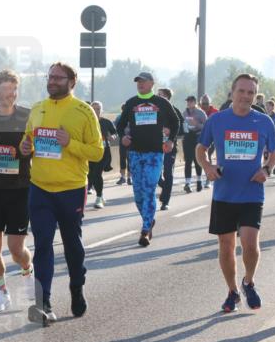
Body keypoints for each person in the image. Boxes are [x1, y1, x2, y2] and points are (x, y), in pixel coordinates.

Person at [20, 62, 103, 324]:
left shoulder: (83, 111)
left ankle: (76, 286)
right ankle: (43, 301)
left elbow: (97, 152)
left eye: (58, 77)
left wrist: (71, 143)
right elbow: (28, 142)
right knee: (42, 244)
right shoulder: (37, 109)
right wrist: (25, 148)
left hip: (71, 189)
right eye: (50, 76)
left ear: (71, 81)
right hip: (40, 188)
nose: (52, 81)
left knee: (72, 245)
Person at [197, 74, 275, 313]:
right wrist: (208, 167)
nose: (246, 96)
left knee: (250, 243)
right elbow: (201, 148)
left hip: (252, 192)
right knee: (226, 245)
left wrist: (267, 169)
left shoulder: (263, 121)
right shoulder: (217, 120)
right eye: (242, 91)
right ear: (232, 93)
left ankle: (249, 282)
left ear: (255, 96)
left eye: (251, 93)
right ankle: (232, 291)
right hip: (224, 193)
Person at [0, 69, 34, 313]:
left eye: (14, 90)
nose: (10, 96)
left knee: (16, 249)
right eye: (5, 91)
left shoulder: (27, 116)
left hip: (20, 188)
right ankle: (2, 294)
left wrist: (26, 151)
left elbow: (39, 148)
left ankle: (27, 270)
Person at [116, 71, 179, 245]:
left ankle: (145, 230)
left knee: (149, 189)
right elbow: (119, 125)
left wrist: (171, 141)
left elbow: (175, 122)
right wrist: (123, 136)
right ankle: (149, 219)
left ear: (152, 83)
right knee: (138, 194)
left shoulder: (161, 102)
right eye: (138, 82)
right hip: (135, 153)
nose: (140, 84)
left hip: (154, 153)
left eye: (143, 81)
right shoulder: (131, 103)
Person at [87, 101, 118, 209]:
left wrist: (112, 137)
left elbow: (114, 132)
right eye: (94, 108)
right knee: (90, 174)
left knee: (96, 173)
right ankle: (98, 193)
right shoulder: (86, 122)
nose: (96, 111)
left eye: (98, 109)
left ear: (102, 110)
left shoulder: (106, 122)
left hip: (103, 151)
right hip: (89, 151)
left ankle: (99, 198)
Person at [181, 95, 208, 192]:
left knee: (197, 160)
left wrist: (197, 124)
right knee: (188, 161)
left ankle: (199, 181)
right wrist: (185, 129)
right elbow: (183, 124)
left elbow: (206, 126)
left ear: (195, 102)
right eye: (187, 101)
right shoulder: (184, 113)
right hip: (188, 137)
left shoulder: (200, 113)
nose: (188, 103)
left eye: (190, 101)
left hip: (197, 136)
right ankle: (187, 183)